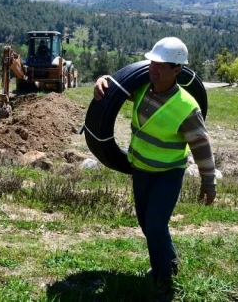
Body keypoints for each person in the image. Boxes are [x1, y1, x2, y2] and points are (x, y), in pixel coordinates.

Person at [93, 37, 216, 295]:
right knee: (146, 223)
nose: (153, 68)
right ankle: (170, 262)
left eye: (162, 65)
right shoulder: (142, 90)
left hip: (168, 174)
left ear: (177, 70)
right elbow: (115, 89)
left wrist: (208, 182)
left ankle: (163, 281)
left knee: (156, 225)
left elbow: (201, 147)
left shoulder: (186, 107)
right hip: (141, 170)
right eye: (152, 62)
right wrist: (103, 79)